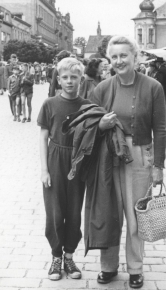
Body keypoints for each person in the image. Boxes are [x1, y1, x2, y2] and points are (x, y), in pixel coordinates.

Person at [90, 36, 166, 289]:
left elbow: (160, 130)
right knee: (110, 212)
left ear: (135, 57)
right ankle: (108, 267)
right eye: (114, 57)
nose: (119, 61)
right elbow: (88, 125)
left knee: (136, 215)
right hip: (109, 156)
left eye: (124, 55)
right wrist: (101, 124)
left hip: (139, 156)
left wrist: (158, 166)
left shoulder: (153, 86)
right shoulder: (102, 88)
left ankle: (135, 268)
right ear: (109, 60)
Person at [37, 58, 91, 281]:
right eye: (65, 77)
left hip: (77, 161)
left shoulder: (86, 106)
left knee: (74, 212)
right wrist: (44, 169)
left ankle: (69, 255)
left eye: (74, 77)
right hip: (55, 159)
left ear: (81, 79)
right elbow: (42, 137)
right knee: (55, 212)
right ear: (59, 79)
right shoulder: (50, 104)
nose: (70, 81)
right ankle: (55, 256)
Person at [155, 57, 166, 127]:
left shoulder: (160, 70)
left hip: (163, 90)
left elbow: (160, 81)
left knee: (163, 106)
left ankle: (164, 122)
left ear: (158, 63)